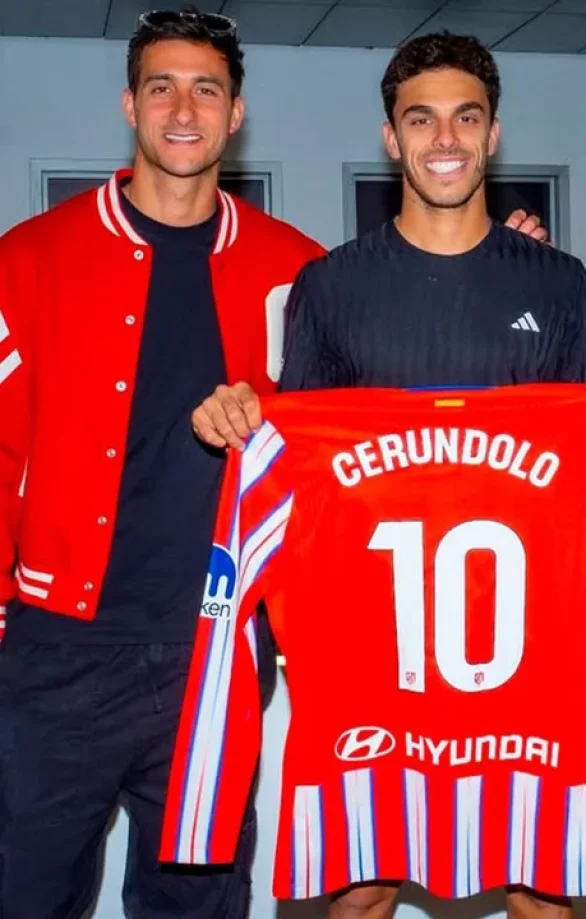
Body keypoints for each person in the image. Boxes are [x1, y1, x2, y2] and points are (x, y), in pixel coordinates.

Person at [192, 30, 586, 919]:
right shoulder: (329, 287)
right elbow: (303, 468)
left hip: (530, 653)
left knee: (544, 889)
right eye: (422, 119)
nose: (445, 139)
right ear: (392, 138)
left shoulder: (561, 281)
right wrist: (248, 418)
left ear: (494, 136)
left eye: (466, 117)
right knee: (363, 886)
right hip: (373, 649)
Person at [0, 9, 328, 918]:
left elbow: (368, 434)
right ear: (130, 105)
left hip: (218, 652)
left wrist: (506, 265)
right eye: (162, 87)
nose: (184, 109)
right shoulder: (28, 260)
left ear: (236, 113)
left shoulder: (299, 271)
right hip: (56, 647)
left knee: (199, 901)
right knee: (25, 891)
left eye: (206, 89)